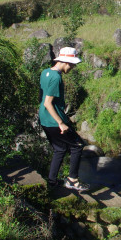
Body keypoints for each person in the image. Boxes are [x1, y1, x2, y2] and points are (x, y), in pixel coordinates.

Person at [40, 46, 89, 191]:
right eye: (73, 64)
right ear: (66, 62)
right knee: (78, 145)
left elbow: (41, 97)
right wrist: (61, 123)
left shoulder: (46, 72)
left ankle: (52, 181)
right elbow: (47, 102)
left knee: (60, 149)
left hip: (44, 118)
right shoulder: (56, 77)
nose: (73, 67)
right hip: (54, 120)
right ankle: (72, 180)